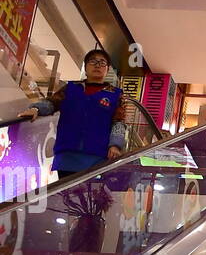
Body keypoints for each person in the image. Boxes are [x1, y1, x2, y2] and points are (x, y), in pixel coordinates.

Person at [20, 48, 128, 179]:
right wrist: (36, 109)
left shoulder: (116, 95)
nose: (97, 65)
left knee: (89, 197)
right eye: (93, 61)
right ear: (85, 67)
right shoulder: (70, 88)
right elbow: (52, 103)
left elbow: (119, 122)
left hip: (96, 158)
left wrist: (115, 145)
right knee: (65, 197)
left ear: (107, 69)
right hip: (66, 155)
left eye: (102, 62)